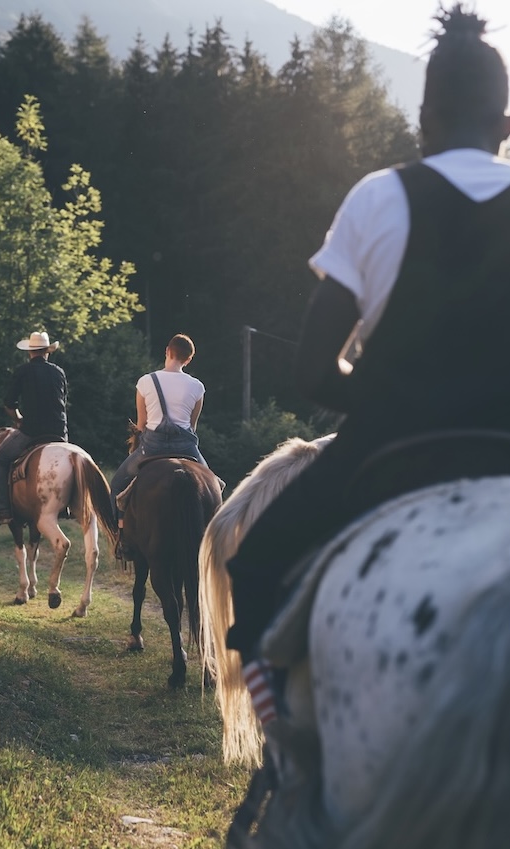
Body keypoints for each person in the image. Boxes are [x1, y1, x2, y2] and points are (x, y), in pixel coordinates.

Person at [226, 4, 510, 671]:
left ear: (422, 123)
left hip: (389, 451)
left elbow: (313, 373)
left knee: (257, 562)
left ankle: (288, 765)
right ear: (504, 125)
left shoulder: (378, 197)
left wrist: (390, 399)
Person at [110, 333, 208, 553]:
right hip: (186, 447)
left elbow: (141, 425)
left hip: (151, 447)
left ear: (167, 351)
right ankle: (209, 539)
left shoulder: (145, 381)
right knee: (215, 487)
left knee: (117, 485)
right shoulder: (197, 386)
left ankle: (122, 535)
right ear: (188, 359)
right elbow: (192, 427)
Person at [0, 331, 68, 528]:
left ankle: (2, 510)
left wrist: (19, 419)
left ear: (30, 352)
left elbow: (9, 404)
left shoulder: (22, 371)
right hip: (59, 433)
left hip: (32, 431)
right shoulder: (59, 372)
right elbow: (62, 403)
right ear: (47, 351)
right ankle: (69, 504)